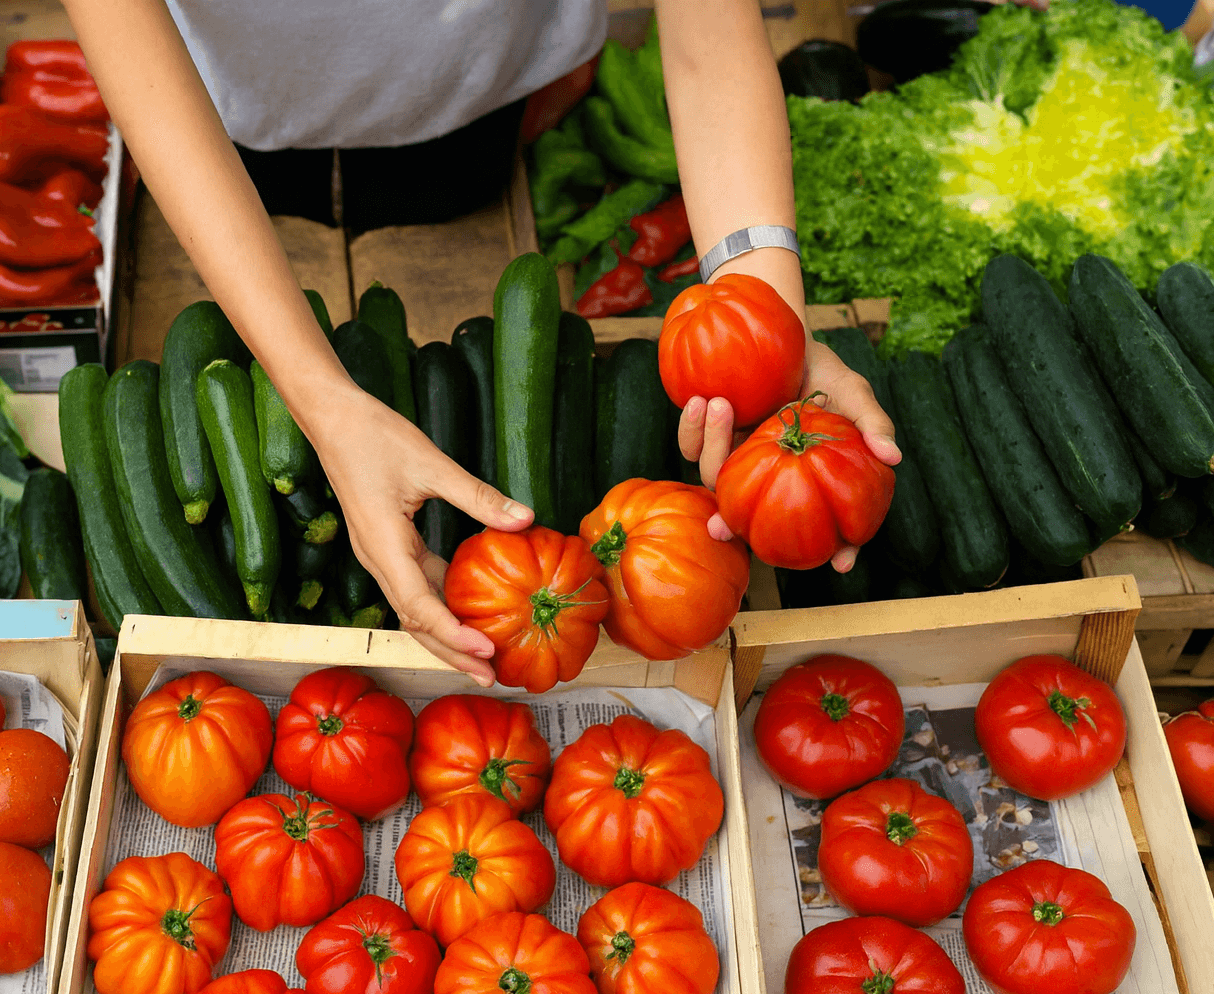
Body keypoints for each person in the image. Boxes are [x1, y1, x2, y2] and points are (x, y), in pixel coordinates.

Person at [59, 0, 900, 686]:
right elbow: (134, 58)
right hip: (217, 107)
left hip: (484, 93)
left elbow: (708, 33)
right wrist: (322, 403)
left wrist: (766, 322)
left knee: (460, 198)